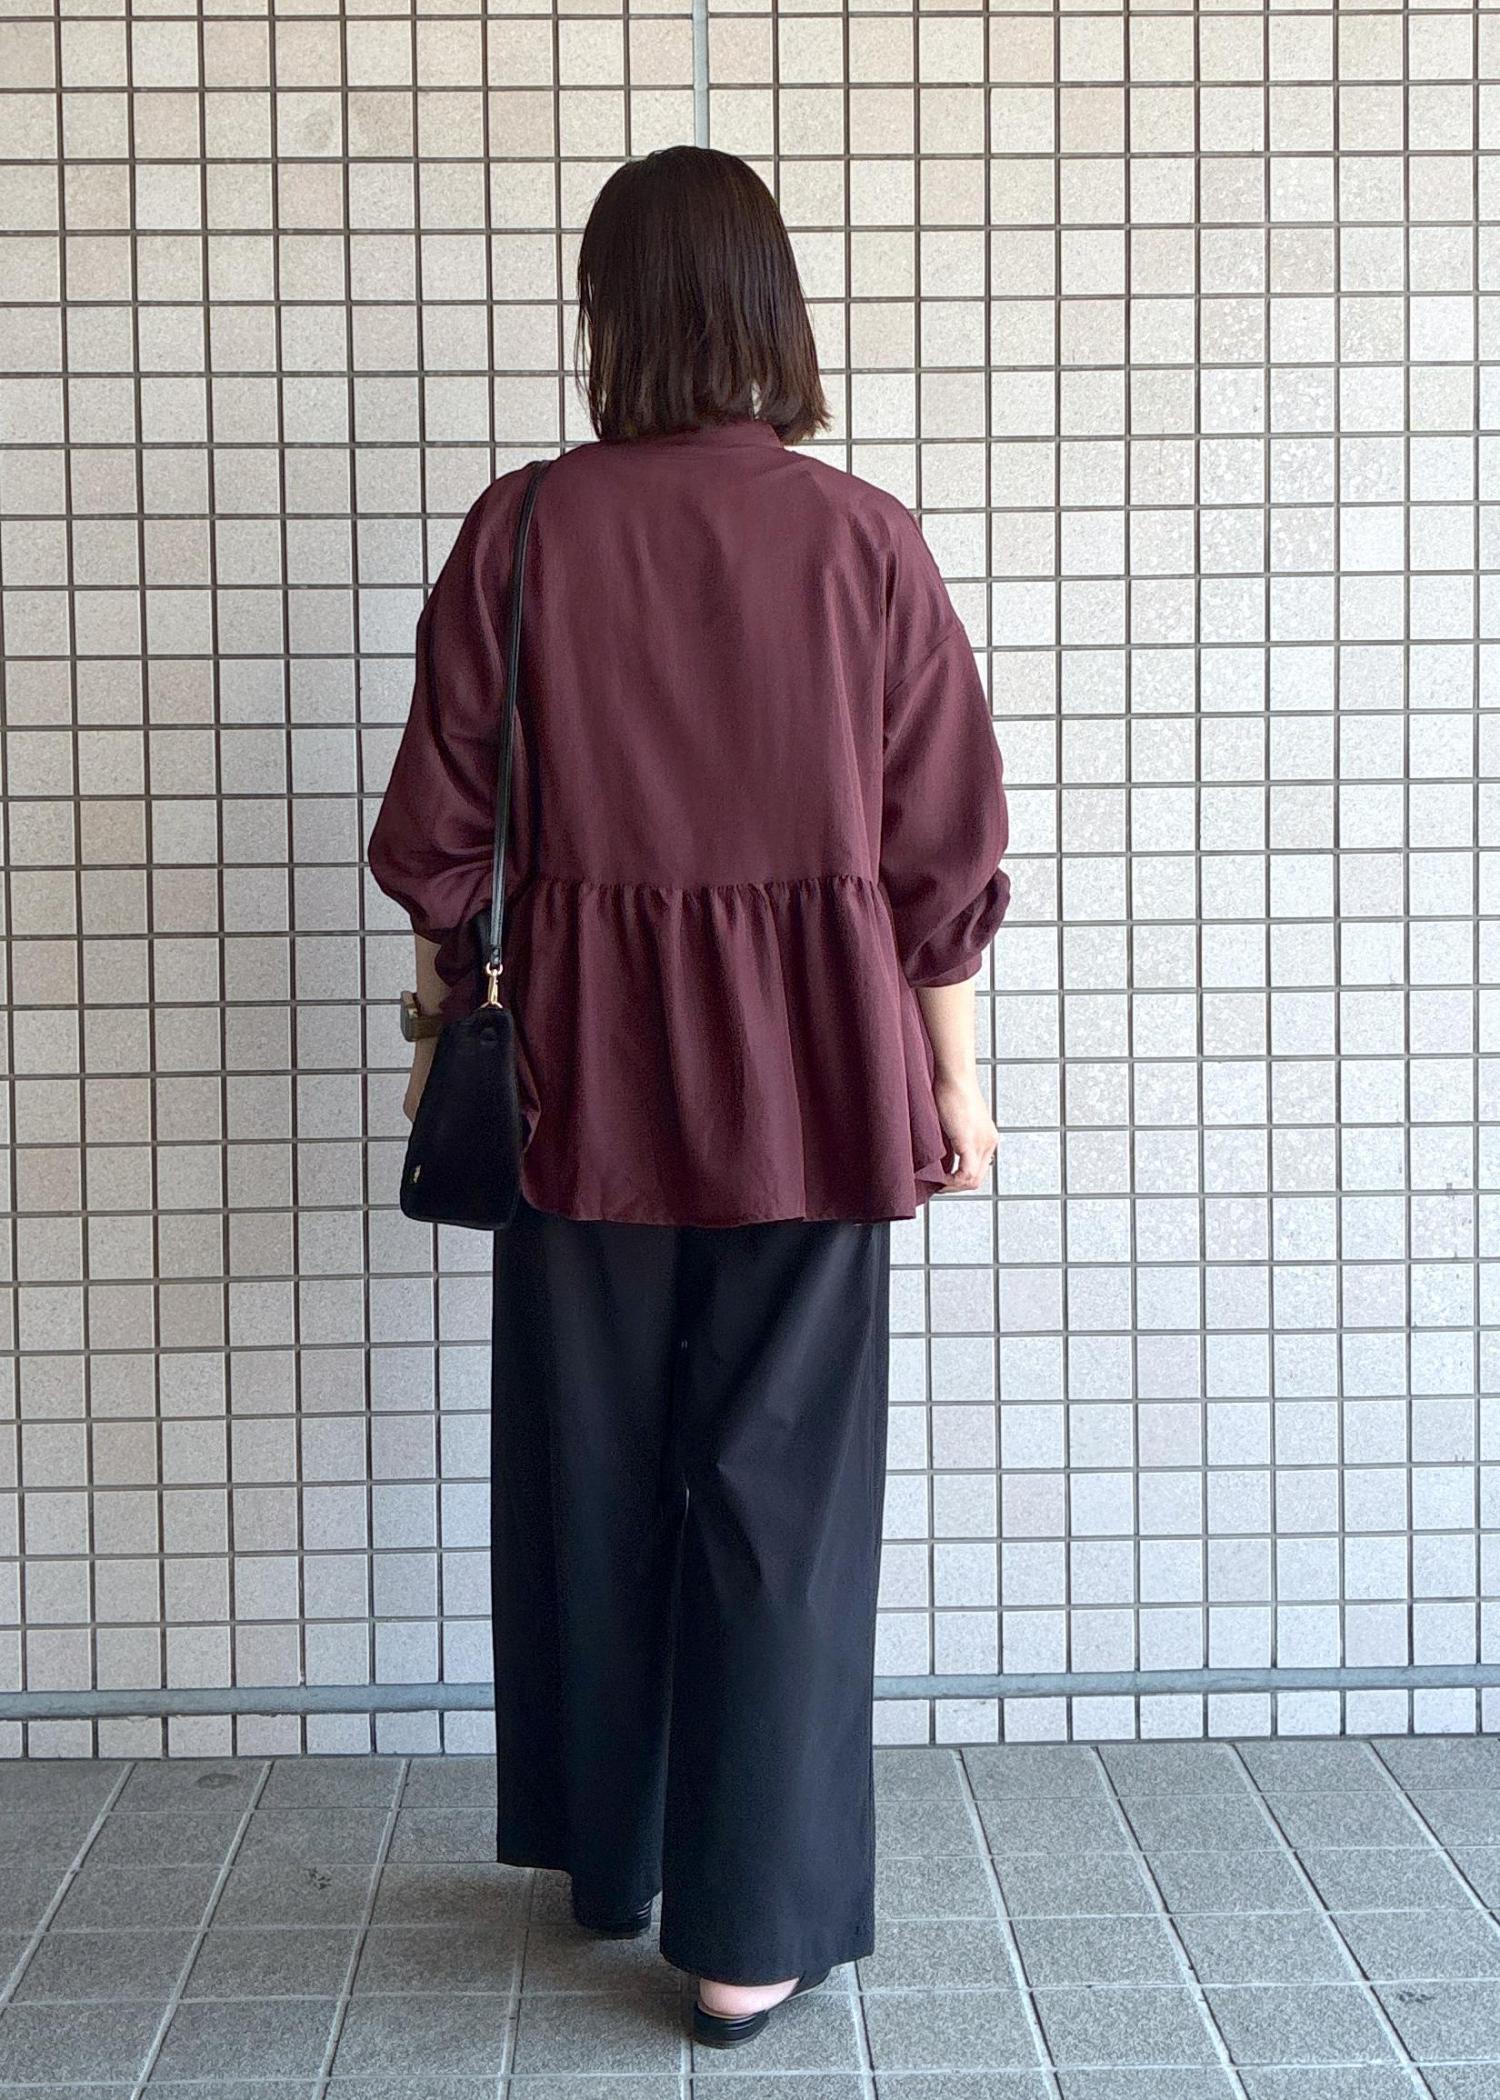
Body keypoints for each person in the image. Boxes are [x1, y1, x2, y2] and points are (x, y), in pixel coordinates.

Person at [367, 143, 1010, 2049]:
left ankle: (615, 1854)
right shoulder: (865, 541)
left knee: (588, 1472)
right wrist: (956, 1088)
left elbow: (440, 836)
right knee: (779, 1495)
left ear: (611, 318)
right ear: (772, 311)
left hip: (578, 1080)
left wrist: (449, 1013)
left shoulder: (523, 531)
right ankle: (749, 1936)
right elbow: (940, 854)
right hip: (817, 1078)